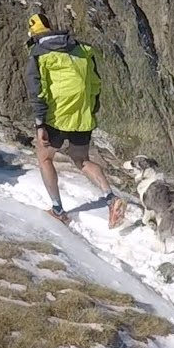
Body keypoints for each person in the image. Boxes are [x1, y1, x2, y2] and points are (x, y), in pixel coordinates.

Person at [24, 12, 127, 228]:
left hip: (56, 116)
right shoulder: (82, 49)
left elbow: (37, 90)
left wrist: (40, 123)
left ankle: (58, 210)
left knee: (45, 159)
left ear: (34, 34)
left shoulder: (39, 54)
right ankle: (110, 199)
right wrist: (92, 107)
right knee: (81, 159)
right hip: (82, 115)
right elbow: (95, 82)